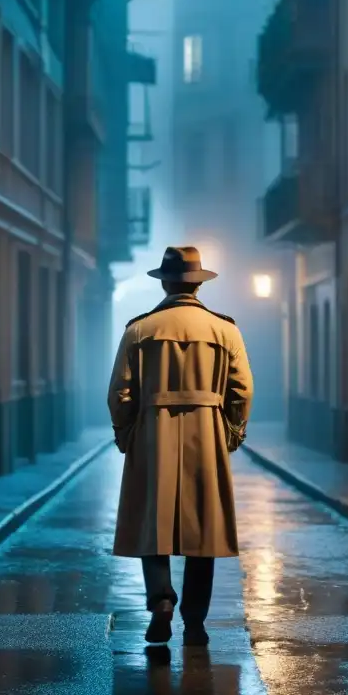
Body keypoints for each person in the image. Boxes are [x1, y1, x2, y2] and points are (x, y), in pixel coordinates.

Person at [108, 246, 254, 646]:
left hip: (153, 432)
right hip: (206, 432)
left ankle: (161, 604)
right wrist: (233, 432)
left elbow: (119, 393)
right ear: (198, 283)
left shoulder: (140, 329)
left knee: (150, 523)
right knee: (202, 528)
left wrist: (126, 434)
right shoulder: (225, 330)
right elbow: (242, 389)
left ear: (167, 282)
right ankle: (195, 619)